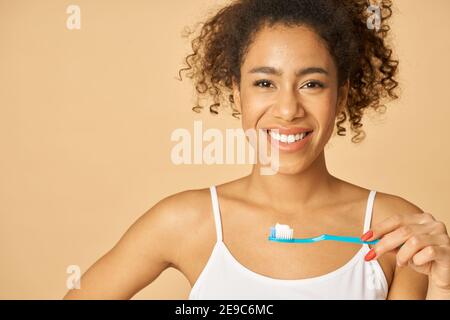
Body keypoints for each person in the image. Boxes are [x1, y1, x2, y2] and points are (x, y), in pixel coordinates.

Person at [63, 0, 450, 299]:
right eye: (265, 84)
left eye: (312, 84)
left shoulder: (394, 229)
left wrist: (445, 286)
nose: (287, 110)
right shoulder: (186, 221)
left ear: (342, 94)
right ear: (237, 92)